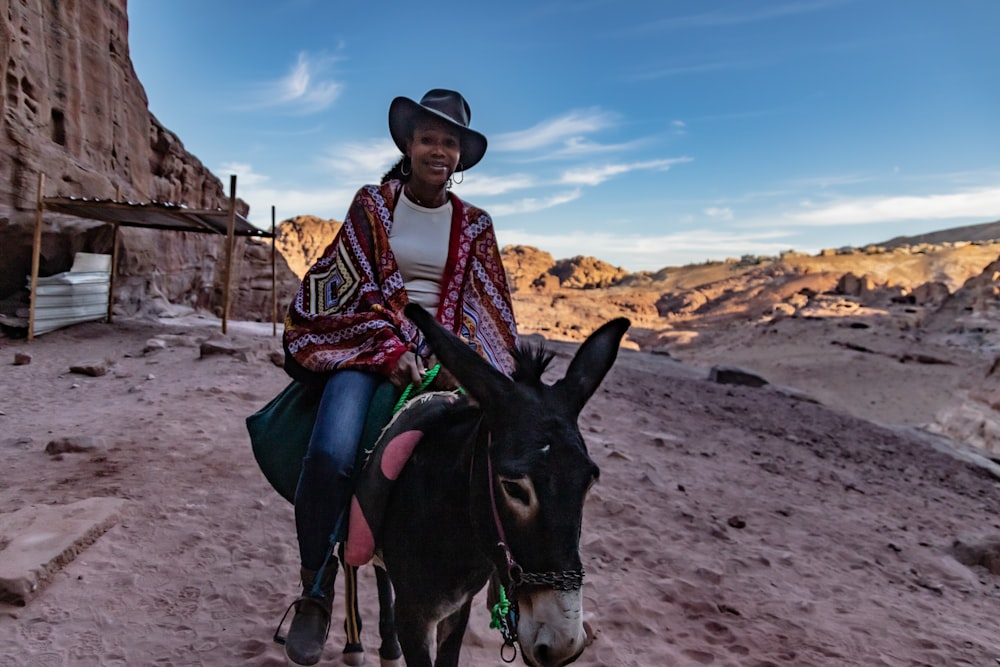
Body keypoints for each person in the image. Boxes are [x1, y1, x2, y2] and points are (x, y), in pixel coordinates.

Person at [279, 89, 518, 666]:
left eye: (450, 143)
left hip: (446, 358)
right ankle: (315, 590)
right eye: (429, 139)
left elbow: (491, 312)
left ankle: (500, 582)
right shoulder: (372, 206)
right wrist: (388, 349)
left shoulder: (477, 226)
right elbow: (337, 289)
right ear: (408, 146)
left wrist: (460, 364)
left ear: (460, 157)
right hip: (367, 347)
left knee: (500, 463)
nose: (439, 150)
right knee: (331, 454)